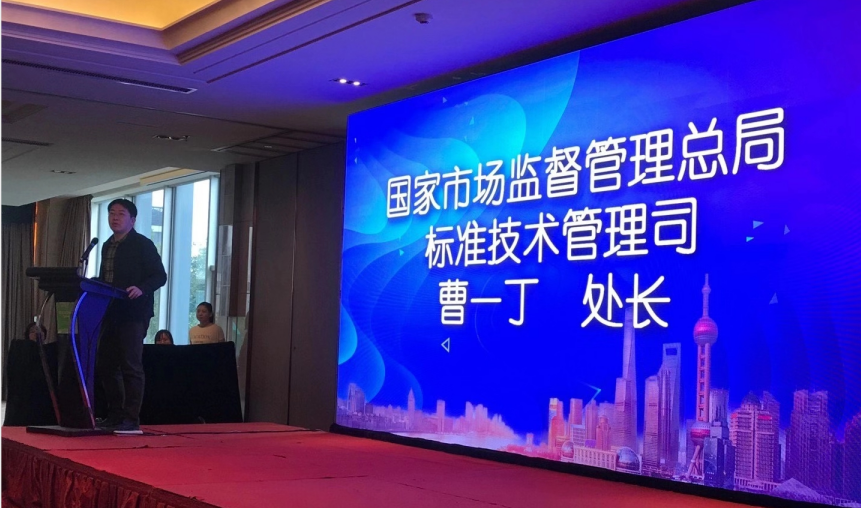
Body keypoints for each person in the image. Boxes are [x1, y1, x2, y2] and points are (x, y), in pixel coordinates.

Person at [97, 198, 167, 435]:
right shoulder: (107, 245)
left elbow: (159, 276)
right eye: (111, 213)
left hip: (134, 313)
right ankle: (115, 415)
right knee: (106, 365)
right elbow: (105, 278)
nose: (115, 217)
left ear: (133, 220)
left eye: (121, 214)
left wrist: (141, 288)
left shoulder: (142, 244)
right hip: (110, 312)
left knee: (130, 365)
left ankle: (131, 418)